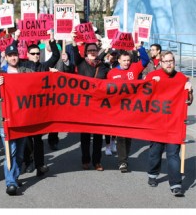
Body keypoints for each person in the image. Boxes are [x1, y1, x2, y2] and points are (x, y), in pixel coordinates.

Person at [145, 51, 193, 197]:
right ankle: (152, 174)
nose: (169, 63)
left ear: (174, 62)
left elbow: (188, 102)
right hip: (156, 123)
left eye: (171, 61)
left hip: (174, 124)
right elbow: (141, 96)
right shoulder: (153, 76)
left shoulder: (182, 78)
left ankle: (176, 184)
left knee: (173, 154)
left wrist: (189, 91)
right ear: (161, 62)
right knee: (155, 152)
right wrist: (152, 85)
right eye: (166, 61)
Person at [0, 44, 33, 196]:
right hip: (6, 119)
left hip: (22, 119)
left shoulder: (26, 71)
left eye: (15, 55)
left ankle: (14, 175)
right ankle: (10, 183)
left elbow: (39, 80)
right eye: (10, 55)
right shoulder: (0, 74)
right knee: (10, 151)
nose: (13, 57)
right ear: (5, 57)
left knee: (19, 153)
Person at [14, 29, 60, 176]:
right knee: (27, 138)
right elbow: (11, 55)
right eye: (32, 53)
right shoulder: (22, 66)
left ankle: (40, 165)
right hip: (25, 107)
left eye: (37, 53)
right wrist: (16, 38)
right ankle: (28, 162)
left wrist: (51, 39)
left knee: (38, 138)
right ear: (27, 55)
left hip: (39, 107)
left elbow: (56, 55)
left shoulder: (44, 67)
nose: (35, 55)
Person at [107, 43, 150, 173]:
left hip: (132, 109)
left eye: (128, 60)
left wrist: (140, 48)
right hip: (118, 109)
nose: (126, 63)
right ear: (118, 60)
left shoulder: (134, 68)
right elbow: (107, 90)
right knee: (120, 136)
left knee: (128, 136)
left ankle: (124, 158)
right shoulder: (112, 73)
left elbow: (146, 60)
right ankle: (122, 162)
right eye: (124, 60)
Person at [71, 34, 110, 171]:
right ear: (86, 52)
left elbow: (110, 83)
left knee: (98, 136)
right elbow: (75, 52)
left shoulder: (104, 67)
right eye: (90, 50)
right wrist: (74, 40)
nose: (92, 52)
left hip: (99, 105)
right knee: (85, 136)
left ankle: (97, 161)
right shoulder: (81, 63)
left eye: (94, 50)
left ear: (98, 51)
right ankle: (86, 160)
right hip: (84, 105)